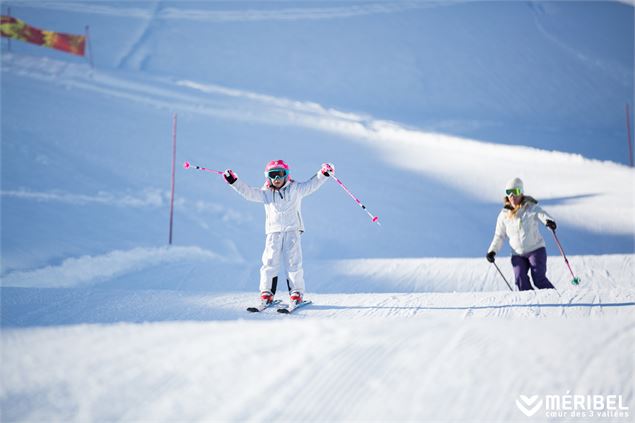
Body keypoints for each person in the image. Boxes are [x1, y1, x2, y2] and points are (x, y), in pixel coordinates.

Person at [223, 159, 335, 306]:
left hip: (292, 230)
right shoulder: (266, 193)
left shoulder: (295, 189)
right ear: (268, 177)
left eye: (280, 174)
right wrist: (234, 181)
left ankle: (296, 293)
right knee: (269, 261)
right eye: (273, 174)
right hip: (273, 232)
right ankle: (267, 293)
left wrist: (323, 173)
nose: (277, 178)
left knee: (293, 262)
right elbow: (248, 193)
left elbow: (312, 184)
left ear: (286, 175)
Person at [486, 177, 557, 291]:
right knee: (520, 280)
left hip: (536, 250)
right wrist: (492, 251)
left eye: (516, 192)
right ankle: (533, 304)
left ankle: (556, 299)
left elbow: (541, 214)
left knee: (538, 279)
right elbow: (499, 235)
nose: (512, 196)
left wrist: (549, 221)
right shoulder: (504, 215)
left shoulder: (530, 207)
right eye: (509, 192)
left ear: (522, 193)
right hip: (517, 254)